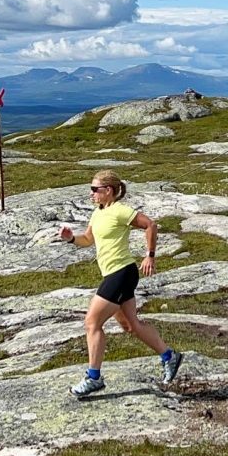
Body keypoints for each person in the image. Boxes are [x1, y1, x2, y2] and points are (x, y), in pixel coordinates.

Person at [59, 169, 182, 398]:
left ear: (108, 191)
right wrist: (71, 238)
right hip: (113, 274)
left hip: (122, 273)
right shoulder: (98, 212)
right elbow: (88, 239)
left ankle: (93, 378)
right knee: (130, 325)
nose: (91, 193)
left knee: (92, 322)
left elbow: (151, 225)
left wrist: (150, 255)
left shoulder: (120, 211)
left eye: (95, 189)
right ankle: (169, 356)